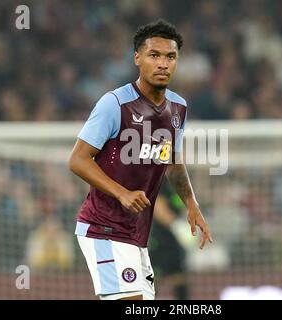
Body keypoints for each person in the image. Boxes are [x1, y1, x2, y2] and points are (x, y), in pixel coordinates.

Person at [68, 19, 213, 300]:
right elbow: (77, 160)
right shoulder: (115, 104)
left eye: (170, 56)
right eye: (154, 55)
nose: (163, 63)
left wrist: (192, 204)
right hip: (103, 226)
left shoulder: (178, 108)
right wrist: (122, 193)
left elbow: (172, 162)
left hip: (138, 233)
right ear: (137, 58)